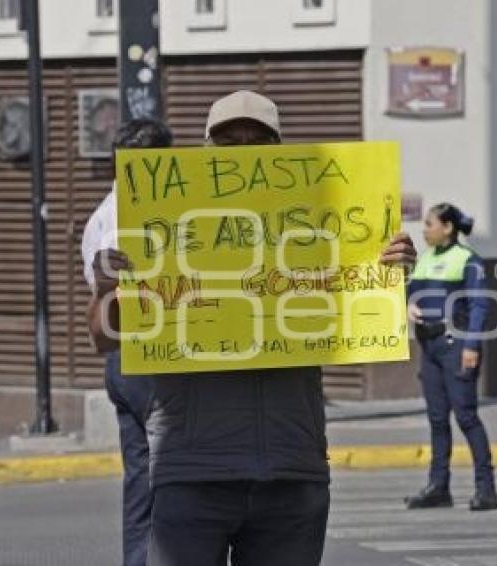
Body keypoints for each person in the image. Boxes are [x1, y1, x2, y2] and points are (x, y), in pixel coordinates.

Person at [89, 90, 418, 566]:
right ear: (207, 150)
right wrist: (105, 289)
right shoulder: (165, 220)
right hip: (191, 474)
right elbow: (103, 337)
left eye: (257, 138)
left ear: (278, 150)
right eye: (229, 139)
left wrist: (390, 269)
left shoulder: (316, 221)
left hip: (292, 475)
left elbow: (365, 318)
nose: (243, 148)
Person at [82, 118, 174, 566]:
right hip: (144, 356)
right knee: (165, 477)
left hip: (124, 360)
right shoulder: (131, 215)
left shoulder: (102, 215)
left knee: (142, 477)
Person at [404, 203, 497, 511]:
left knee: (466, 417)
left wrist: (471, 346)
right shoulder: (425, 259)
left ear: (447, 228)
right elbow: (411, 291)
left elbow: (480, 307)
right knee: (436, 418)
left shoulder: (468, 260)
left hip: (455, 345)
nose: (425, 228)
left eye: (430, 223)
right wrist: (408, 305)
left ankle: (486, 489)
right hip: (429, 347)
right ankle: (438, 487)